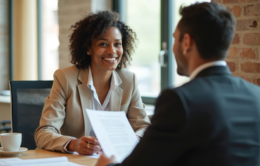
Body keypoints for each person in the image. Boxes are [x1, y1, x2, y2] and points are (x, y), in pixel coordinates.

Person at [96, 2, 260, 166]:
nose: (173, 47)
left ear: (186, 42)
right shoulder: (256, 95)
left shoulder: (180, 101)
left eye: (175, 39)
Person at [34, 11, 150, 155]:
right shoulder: (65, 78)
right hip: (77, 160)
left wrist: (133, 140)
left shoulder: (129, 81)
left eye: (117, 44)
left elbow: (144, 127)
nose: (112, 51)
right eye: (103, 44)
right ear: (89, 48)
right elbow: (43, 133)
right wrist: (74, 144)